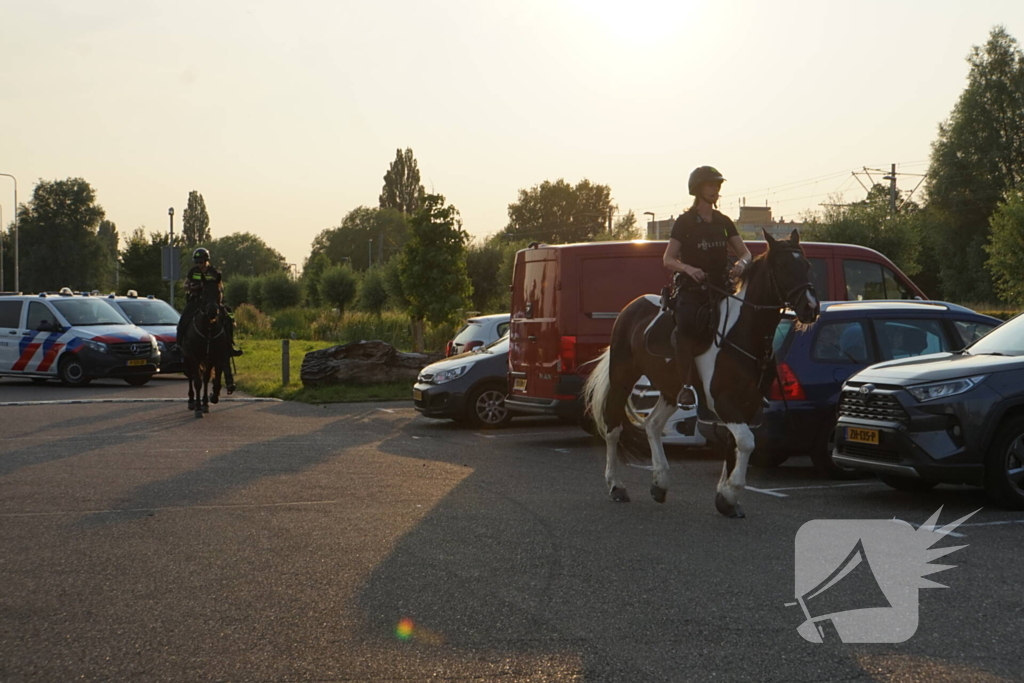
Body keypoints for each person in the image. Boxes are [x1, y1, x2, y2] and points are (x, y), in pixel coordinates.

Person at [662, 166, 752, 409]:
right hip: (692, 290)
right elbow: (668, 259)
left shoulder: (723, 222)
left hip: (721, 287)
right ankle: (686, 386)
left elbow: (745, 253)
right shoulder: (685, 222)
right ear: (698, 189)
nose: (715, 189)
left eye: (717, 185)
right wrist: (689, 269)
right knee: (687, 326)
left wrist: (741, 265)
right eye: (710, 185)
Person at [177, 248, 242, 387]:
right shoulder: (193, 272)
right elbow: (185, 286)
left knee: (227, 317)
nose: (199, 264)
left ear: (206, 261)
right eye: (197, 262)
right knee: (183, 319)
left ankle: (230, 345)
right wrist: (192, 287)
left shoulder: (213, 272)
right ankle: (179, 344)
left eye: (201, 262)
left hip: (211, 302)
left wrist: (217, 302)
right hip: (196, 302)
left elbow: (220, 288)